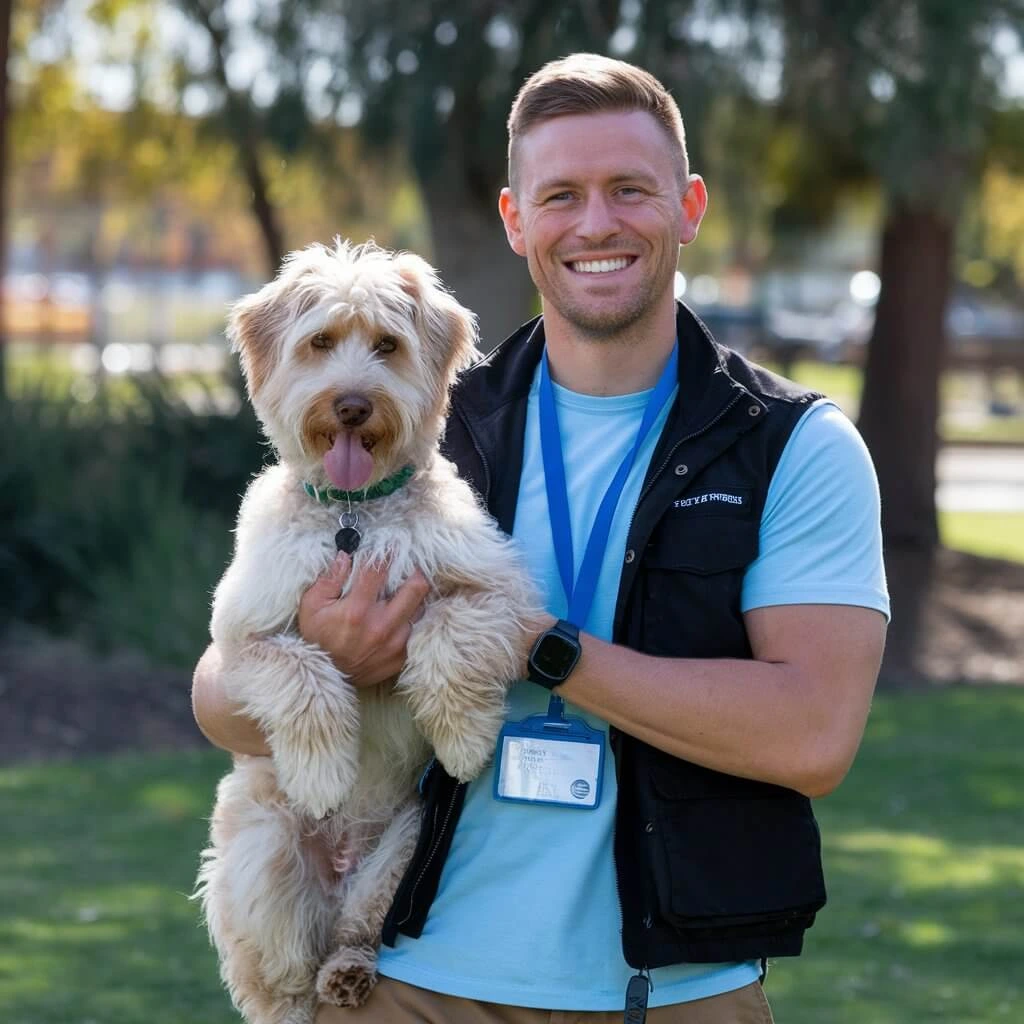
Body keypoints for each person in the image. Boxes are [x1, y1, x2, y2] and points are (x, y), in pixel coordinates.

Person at [193, 53, 889, 1024]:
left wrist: (543, 649)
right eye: (560, 194)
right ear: (517, 218)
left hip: (676, 992)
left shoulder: (792, 448)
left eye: (628, 190)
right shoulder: (419, 434)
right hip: (408, 981)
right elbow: (217, 702)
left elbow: (812, 736)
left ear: (687, 207)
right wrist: (326, 657)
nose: (595, 223)